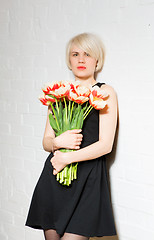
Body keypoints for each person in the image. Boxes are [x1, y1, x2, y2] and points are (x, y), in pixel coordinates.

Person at [26, 33, 118, 240]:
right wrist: (58, 143)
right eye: (75, 54)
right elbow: (46, 140)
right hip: (55, 176)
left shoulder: (105, 92)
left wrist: (67, 157)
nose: (81, 59)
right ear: (69, 60)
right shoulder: (58, 94)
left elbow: (105, 145)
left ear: (97, 60)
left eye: (87, 54)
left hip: (88, 177)